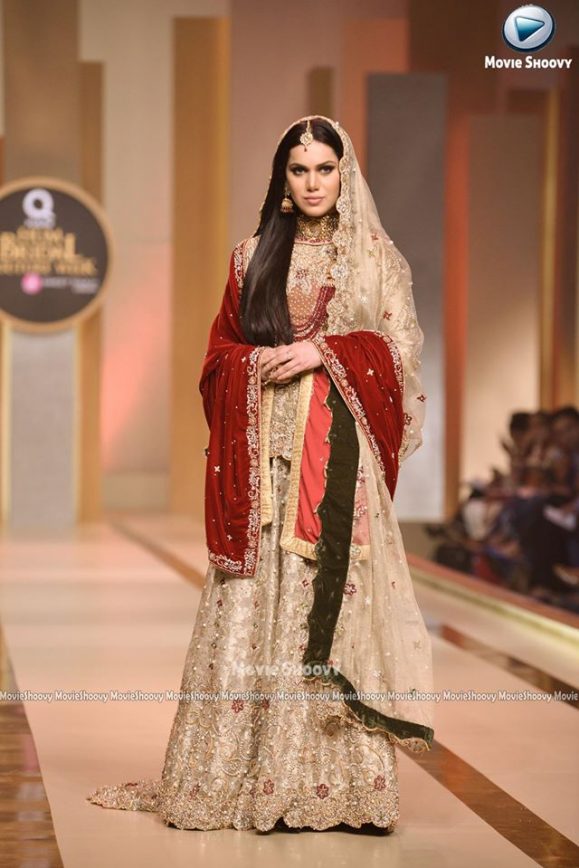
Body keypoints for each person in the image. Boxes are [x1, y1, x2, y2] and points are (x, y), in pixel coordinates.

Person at [86, 115, 434, 832]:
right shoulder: (251, 257)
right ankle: (237, 776)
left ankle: (343, 788)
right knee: (250, 604)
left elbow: (399, 352)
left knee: (328, 604)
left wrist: (322, 353)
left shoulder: (375, 258)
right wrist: (253, 364)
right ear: (282, 181)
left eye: (325, 169)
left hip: (334, 467)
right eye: (299, 170)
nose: (312, 183)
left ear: (344, 174)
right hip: (262, 468)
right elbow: (218, 356)